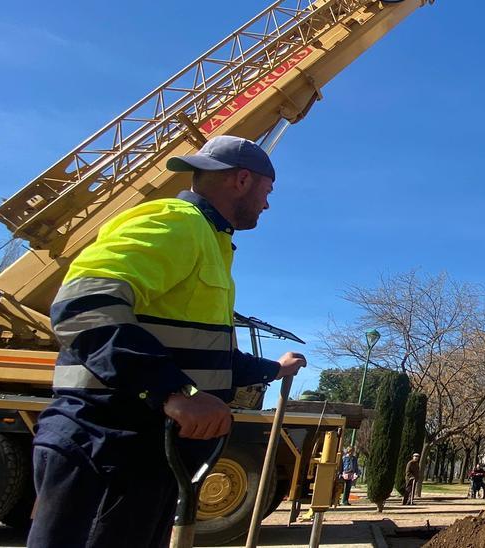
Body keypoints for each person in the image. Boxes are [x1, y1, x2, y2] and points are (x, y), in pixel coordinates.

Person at [28, 135, 306, 548]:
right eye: (268, 191)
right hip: (107, 441)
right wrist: (173, 392)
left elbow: (206, 354)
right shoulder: (175, 222)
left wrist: (274, 369)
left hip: (143, 448)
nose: (267, 204)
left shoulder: (212, 243)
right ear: (243, 180)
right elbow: (82, 305)